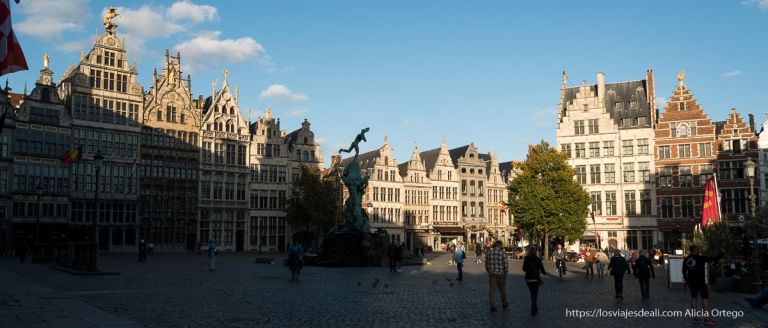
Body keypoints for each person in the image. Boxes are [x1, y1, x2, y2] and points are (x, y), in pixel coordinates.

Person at [683, 245, 724, 324]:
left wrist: (687, 281)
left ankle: (695, 317)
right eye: (697, 249)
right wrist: (722, 253)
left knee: (693, 298)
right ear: (695, 250)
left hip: (691, 282)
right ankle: (706, 319)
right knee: (704, 299)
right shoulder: (701, 258)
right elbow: (714, 259)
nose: (698, 250)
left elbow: (684, 271)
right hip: (700, 282)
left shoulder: (687, 259)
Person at [523, 246, 547, 316]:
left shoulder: (527, 258)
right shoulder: (538, 259)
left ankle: (535, 307)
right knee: (535, 294)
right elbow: (543, 271)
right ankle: (533, 309)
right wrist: (542, 272)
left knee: (532, 294)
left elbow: (524, 269)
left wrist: (528, 269)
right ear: (536, 252)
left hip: (528, 279)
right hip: (535, 279)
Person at [485, 240, 509, 312]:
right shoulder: (502, 253)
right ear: (499, 245)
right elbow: (505, 265)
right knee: (502, 290)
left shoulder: (489, 253)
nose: (502, 247)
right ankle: (504, 303)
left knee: (492, 290)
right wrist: (505, 273)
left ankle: (492, 306)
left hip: (492, 274)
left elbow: (486, 264)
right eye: (501, 245)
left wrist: (489, 271)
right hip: (501, 274)